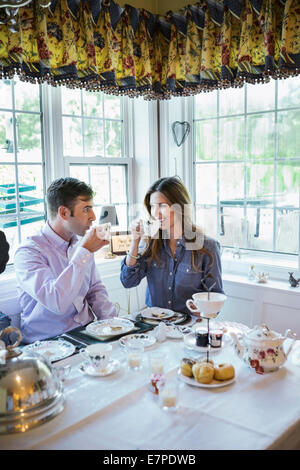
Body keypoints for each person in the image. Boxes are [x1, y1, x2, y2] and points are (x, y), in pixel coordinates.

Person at [14, 177, 117, 344]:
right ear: (63, 212)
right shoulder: (28, 252)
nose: (93, 216)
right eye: (86, 209)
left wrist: (114, 327)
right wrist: (84, 252)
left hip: (87, 335)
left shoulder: (81, 245)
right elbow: (56, 302)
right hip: (47, 345)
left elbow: (95, 290)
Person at [120, 176, 224, 314]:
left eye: (162, 205)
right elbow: (128, 281)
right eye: (152, 206)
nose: (156, 213)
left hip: (189, 328)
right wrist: (135, 241)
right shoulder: (150, 244)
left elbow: (215, 298)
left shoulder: (207, 247)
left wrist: (200, 311)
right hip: (155, 326)